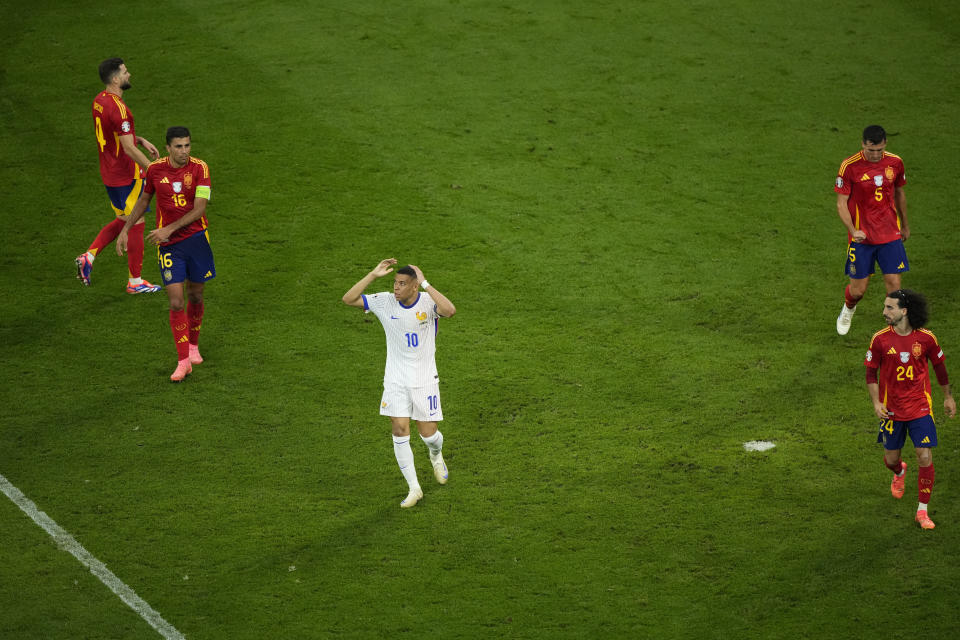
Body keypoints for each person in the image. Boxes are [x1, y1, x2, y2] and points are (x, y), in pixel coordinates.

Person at [342, 259, 457, 508]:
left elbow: (449, 311)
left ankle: (436, 455)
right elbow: (349, 299)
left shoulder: (428, 303)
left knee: (428, 435)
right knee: (399, 429)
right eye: (395, 283)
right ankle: (414, 488)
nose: (396, 288)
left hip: (424, 380)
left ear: (414, 287)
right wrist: (373, 275)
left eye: (402, 284)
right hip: (395, 380)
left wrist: (426, 282)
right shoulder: (385, 302)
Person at [117, 127, 215, 382]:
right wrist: (125, 230)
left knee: (195, 294)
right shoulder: (155, 170)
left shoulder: (200, 169)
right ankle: (183, 361)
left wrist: (167, 229)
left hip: (196, 239)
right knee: (175, 301)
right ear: (168, 148)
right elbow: (143, 200)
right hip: (170, 246)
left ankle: (193, 345)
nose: (184, 151)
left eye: (187, 146)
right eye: (179, 147)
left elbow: (200, 209)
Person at [865, 289, 956, 529]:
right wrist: (876, 403)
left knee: (924, 456)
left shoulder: (926, 339)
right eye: (885, 307)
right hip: (891, 411)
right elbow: (870, 373)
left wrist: (947, 397)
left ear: (903, 311)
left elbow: (940, 368)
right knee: (890, 458)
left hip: (920, 408)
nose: (884, 312)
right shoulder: (880, 340)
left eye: (889, 308)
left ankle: (922, 511)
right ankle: (898, 471)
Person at [76, 57, 162, 294]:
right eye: (125, 72)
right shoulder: (121, 109)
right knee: (136, 221)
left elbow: (114, 134)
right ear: (115, 79)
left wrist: (140, 139)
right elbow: (127, 148)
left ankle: (89, 256)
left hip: (109, 173)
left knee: (125, 219)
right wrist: (153, 170)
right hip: (126, 175)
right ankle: (135, 282)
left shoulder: (99, 101)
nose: (129, 75)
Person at [835, 125, 910, 335]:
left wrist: (904, 224)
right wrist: (852, 229)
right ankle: (848, 309)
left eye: (879, 150)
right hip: (862, 239)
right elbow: (841, 203)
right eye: (871, 150)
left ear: (885, 144)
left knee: (894, 287)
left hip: (889, 234)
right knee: (858, 291)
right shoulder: (849, 166)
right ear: (863, 144)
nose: (876, 155)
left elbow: (899, 193)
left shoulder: (895, 162)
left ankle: (894, 331)